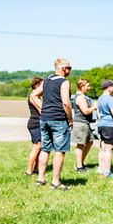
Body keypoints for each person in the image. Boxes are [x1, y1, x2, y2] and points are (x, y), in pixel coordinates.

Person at [36, 58, 73, 191]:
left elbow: (34, 95)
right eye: (69, 68)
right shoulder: (64, 82)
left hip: (44, 119)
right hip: (58, 119)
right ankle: (55, 182)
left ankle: (40, 178)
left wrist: (43, 109)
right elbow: (66, 103)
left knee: (45, 149)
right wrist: (70, 119)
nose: (70, 70)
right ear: (63, 69)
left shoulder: (46, 81)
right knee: (59, 150)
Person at [71, 79, 97, 172]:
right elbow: (85, 111)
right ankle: (79, 167)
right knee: (80, 145)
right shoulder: (80, 97)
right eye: (87, 86)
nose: (89, 88)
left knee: (90, 142)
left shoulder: (83, 96)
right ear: (82, 86)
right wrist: (94, 107)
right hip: (80, 123)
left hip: (85, 123)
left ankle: (81, 163)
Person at [97, 79, 113, 178]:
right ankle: (107, 171)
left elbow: (98, 112)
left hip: (101, 124)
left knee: (102, 148)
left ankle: (101, 168)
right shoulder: (110, 99)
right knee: (109, 149)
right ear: (109, 87)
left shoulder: (100, 98)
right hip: (109, 125)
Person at [25, 77, 43, 176]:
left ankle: (36, 169)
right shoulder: (33, 97)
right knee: (37, 147)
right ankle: (29, 170)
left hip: (38, 123)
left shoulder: (38, 97)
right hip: (35, 124)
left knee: (41, 147)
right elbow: (41, 110)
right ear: (36, 86)